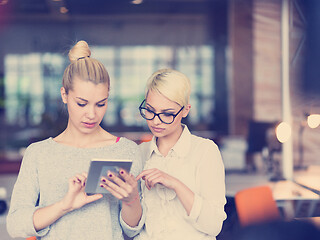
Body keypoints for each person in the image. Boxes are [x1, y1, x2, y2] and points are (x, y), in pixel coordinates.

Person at [6, 40, 144, 239]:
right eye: (81, 103)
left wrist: (131, 200)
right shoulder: (39, 153)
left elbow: (133, 231)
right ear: (64, 94)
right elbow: (16, 225)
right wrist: (64, 206)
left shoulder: (126, 151)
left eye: (100, 104)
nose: (91, 114)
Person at [134, 68, 227, 240]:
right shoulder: (139, 153)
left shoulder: (205, 151)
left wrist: (176, 184)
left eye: (167, 114)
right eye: (150, 110)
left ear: (185, 110)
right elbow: (134, 227)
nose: (155, 120)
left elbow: (214, 226)